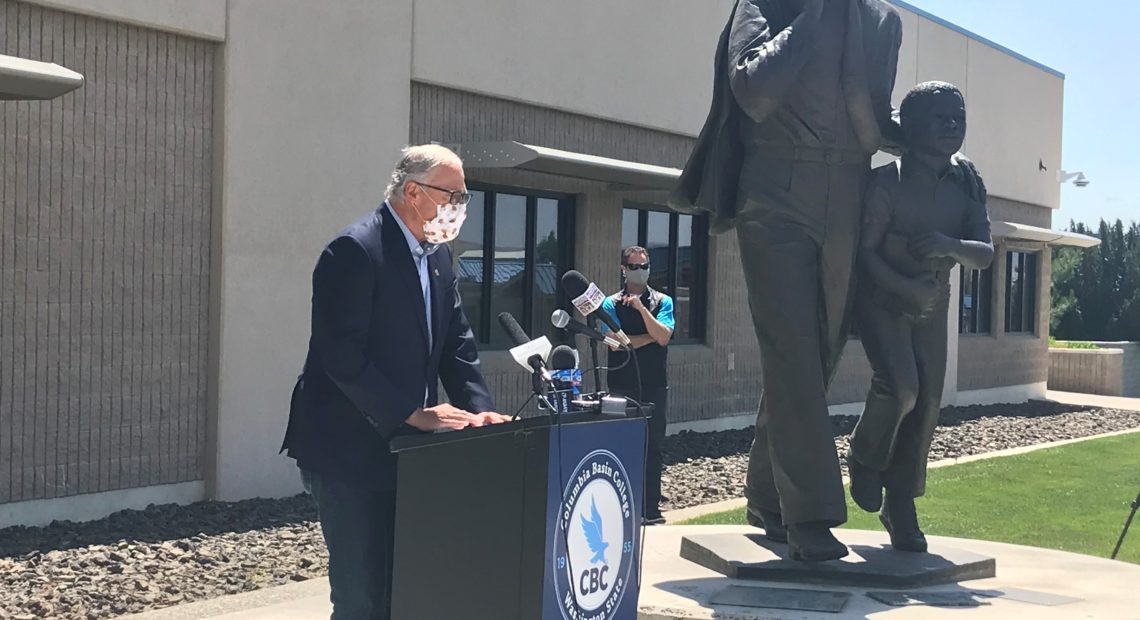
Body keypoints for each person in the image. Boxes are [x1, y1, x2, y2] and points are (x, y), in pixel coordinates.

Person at [669, 0, 985, 561]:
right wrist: (815, 14)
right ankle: (809, 515)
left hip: (849, 189)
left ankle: (768, 495)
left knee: (819, 352)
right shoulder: (766, 5)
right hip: (776, 186)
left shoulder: (884, 21)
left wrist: (934, 149)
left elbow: (874, 119)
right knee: (791, 346)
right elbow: (755, 92)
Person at [280, 144, 509, 619]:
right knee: (361, 597)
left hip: (408, 450)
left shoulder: (439, 257)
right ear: (414, 192)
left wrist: (478, 407)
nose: (461, 207)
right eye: (455, 195)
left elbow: (457, 344)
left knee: (403, 588)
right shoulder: (355, 250)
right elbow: (339, 355)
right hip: (346, 449)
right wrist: (412, 412)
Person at [847, 81, 993, 553]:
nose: (953, 125)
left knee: (928, 402)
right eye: (941, 116)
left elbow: (985, 253)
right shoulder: (885, 182)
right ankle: (865, 457)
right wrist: (904, 287)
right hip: (883, 298)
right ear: (910, 126)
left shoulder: (967, 182)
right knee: (901, 386)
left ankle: (901, 503)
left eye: (960, 116)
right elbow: (864, 254)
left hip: (932, 304)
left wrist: (950, 246)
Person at [599, 245, 675, 525]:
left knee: (652, 447)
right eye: (634, 267)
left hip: (654, 384)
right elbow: (617, 344)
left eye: (644, 267)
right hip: (621, 384)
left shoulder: (663, 301)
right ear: (623, 269)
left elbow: (665, 336)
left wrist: (642, 311)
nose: (639, 272)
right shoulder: (610, 304)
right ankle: (621, 507)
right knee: (620, 444)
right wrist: (648, 338)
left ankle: (650, 509)